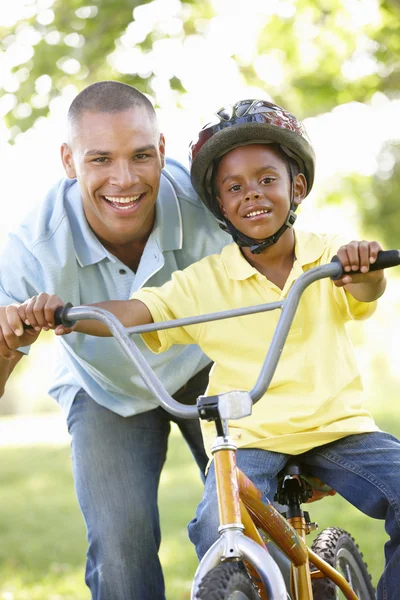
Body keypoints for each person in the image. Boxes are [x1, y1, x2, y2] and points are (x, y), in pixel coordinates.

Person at [7, 99, 400, 599]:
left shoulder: (326, 255)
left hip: (339, 429)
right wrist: (66, 311)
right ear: (218, 206)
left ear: (296, 187)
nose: (251, 195)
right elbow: (137, 313)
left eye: (266, 181)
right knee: (215, 527)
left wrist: (366, 269)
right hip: (249, 434)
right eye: (234, 188)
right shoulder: (204, 281)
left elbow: (366, 291)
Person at [0, 81, 231, 600]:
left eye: (140, 156)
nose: (123, 179)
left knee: (235, 520)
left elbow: (280, 270)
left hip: (211, 366)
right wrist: (10, 343)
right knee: (119, 551)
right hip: (104, 385)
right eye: (100, 159)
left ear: (163, 152)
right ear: (68, 160)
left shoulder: (209, 202)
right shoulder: (32, 246)